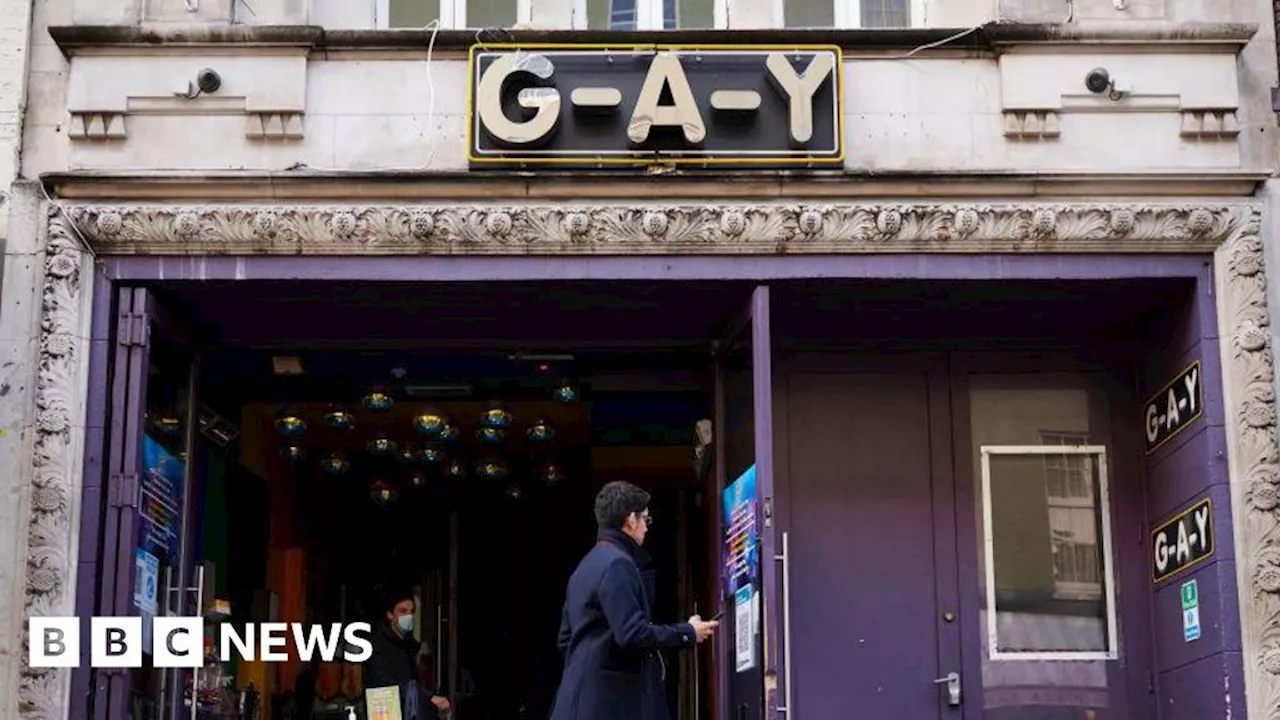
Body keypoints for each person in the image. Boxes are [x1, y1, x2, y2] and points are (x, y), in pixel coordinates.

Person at [550, 481, 718, 720]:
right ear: (631, 520)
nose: (647, 529)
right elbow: (632, 633)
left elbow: (565, 640)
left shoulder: (584, 568)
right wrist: (687, 632)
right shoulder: (618, 564)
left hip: (575, 702)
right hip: (609, 704)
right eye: (645, 520)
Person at [364, 586, 452, 720]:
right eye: (403, 611)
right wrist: (429, 697)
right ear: (390, 615)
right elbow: (385, 684)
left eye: (411, 612)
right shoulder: (377, 645)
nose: (408, 616)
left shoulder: (407, 645)